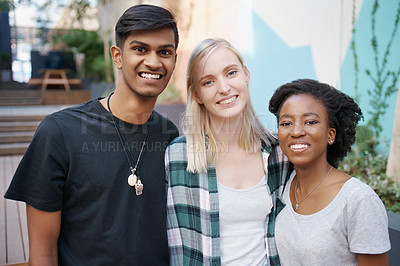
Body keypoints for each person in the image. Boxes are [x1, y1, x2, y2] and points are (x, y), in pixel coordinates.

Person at [4, 4, 179, 265]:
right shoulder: (60, 132)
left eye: (164, 51)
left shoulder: (169, 136)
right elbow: (42, 253)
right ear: (118, 56)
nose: (153, 62)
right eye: (140, 49)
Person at [166, 38, 293, 266]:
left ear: (246, 74)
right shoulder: (177, 157)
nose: (224, 88)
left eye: (231, 73)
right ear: (196, 95)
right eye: (208, 82)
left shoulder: (279, 153)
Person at [268, 79, 391, 265]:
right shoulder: (284, 184)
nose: (296, 131)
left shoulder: (358, 200)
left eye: (310, 122)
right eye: (286, 123)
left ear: (330, 134)